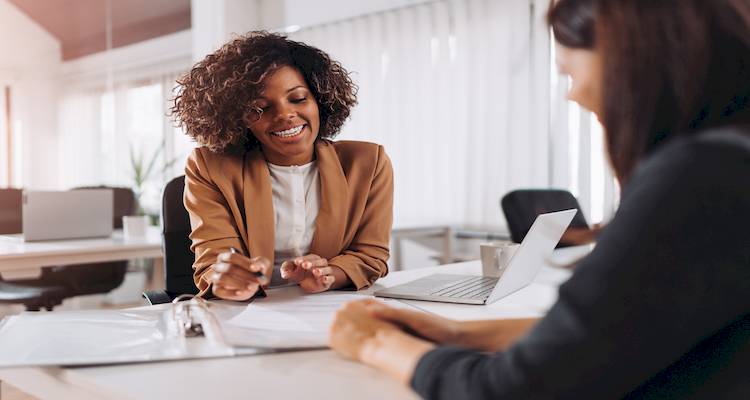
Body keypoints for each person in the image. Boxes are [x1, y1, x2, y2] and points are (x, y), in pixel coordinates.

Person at [329, 0, 750, 398]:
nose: (574, 94)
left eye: (570, 72)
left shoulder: (700, 174)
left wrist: (376, 343)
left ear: (632, 56)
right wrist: (458, 333)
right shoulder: (728, 159)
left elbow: (515, 389)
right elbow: (616, 334)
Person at [172, 32, 393, 300]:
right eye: (261, 108)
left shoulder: (367, 163)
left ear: (319, 100)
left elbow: (370, 255)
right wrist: (227, 277)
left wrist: (328, 276)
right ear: (238, 118)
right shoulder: (209, 167)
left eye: (298, 99)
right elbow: (213, 259)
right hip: (247, 314)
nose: (285, 115)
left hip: (329, 308)